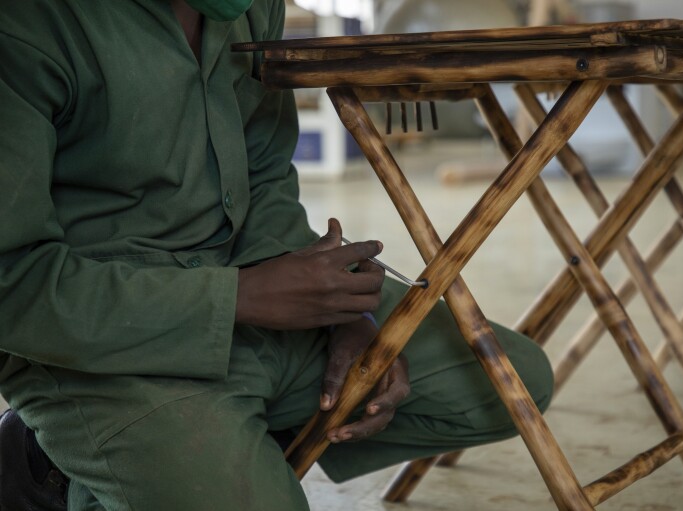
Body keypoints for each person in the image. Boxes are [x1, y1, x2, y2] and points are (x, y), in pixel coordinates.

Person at [0, 1, 554, 509]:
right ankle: (54, 463)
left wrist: (339, 309)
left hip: (253, 304)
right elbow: (12, 288)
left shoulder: (243, 6)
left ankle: (195, 447)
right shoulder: (28, 22)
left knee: (512, 382)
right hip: (104, 348)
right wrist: (240, 298)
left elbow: (263, 176)